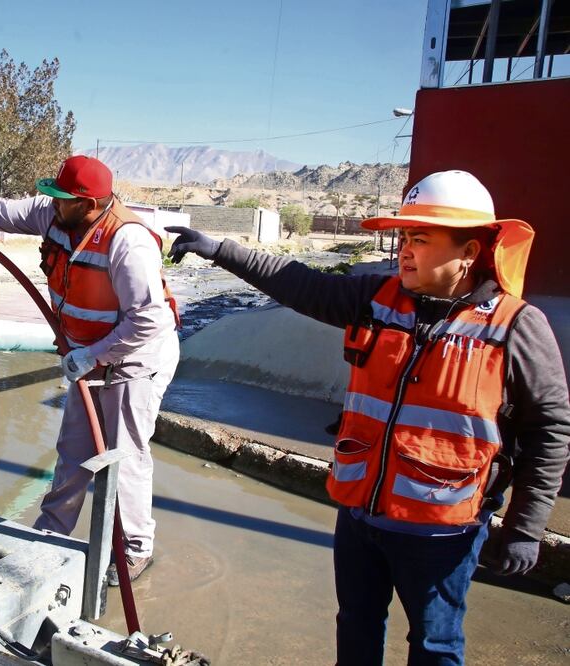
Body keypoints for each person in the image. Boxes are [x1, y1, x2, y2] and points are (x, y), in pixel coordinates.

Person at [166, 170, 570, 664]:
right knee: (356, 624)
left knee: (435, 643)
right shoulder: (376, 299)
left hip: (442, 531)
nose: (405, 249)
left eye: (420, 238)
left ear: (469, 251)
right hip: (360, 514)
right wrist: (221, 249)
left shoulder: (516, 327)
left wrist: (524, 529)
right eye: (403, 237)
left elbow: (549, 431)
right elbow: (299, 283)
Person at [0, 155, 180, 584]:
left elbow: (150, 321)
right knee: (74, 449)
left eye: (63, 199)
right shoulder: (55, 215)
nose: (51, 203)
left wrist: (93, 356)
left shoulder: (128, 241)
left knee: (124, 454)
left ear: (89, 204)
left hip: (136, 360)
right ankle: (50, 534)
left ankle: (133, 550)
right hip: (86, 356)